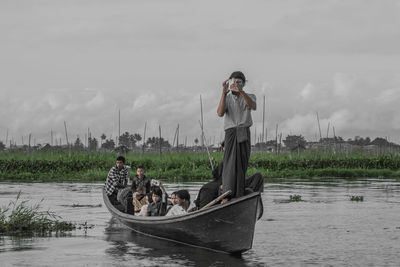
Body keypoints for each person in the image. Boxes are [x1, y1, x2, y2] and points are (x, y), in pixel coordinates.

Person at [217, 71, 256, 201]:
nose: (236, 84)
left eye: (239, 82)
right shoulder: (227, 97)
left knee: (242, 162)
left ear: (243, 84)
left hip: (243, 131)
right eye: (233, 82)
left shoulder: (249, 96)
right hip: (231, 132)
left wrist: (241, 92)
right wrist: (223, 93)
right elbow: (220, 113)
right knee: (229, 163)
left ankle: (239, 193)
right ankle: (227, 193)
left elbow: (253, 106)